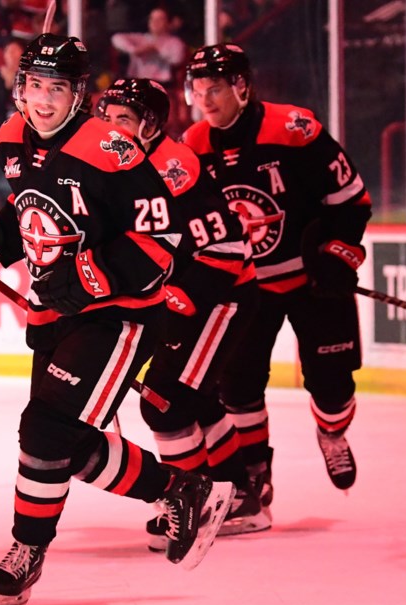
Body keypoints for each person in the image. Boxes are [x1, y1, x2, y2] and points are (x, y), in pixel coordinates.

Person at [0, 33, 235, 605]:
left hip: (115, 315)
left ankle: (25, 550)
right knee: (63, 443)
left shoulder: (115, 151)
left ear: (78, 94)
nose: (44, 101)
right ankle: (181, 489)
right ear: (21, 88)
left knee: (44, 430)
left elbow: (159, 241)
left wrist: (90, 276)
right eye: (36, 86)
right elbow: (24, 216)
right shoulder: (12, 137)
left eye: (58, 89)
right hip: (53, 312)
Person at [181, 43, 372, 507]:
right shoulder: (193, 146)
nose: (206, 101)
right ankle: (255, 474)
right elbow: (187, 224)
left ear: (242, 87)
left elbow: (351, 199)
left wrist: (337, 254)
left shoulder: (294, 129)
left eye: (216, 90)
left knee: (333, 388)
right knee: (238, 388)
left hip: (313, 282)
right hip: (245, 290)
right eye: (199, 91)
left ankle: (331, 434)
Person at [95, 78, 268, 541]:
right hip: (186, 293)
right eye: (106, 118)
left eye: (123, 120)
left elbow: (226, 250)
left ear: (149, 126)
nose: (111, 129)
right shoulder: (114, 161)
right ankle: (239, 495)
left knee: (165, 403)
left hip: (220, 295)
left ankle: (195, 501)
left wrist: (178, 301)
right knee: (196, 400)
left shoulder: (173, 168)